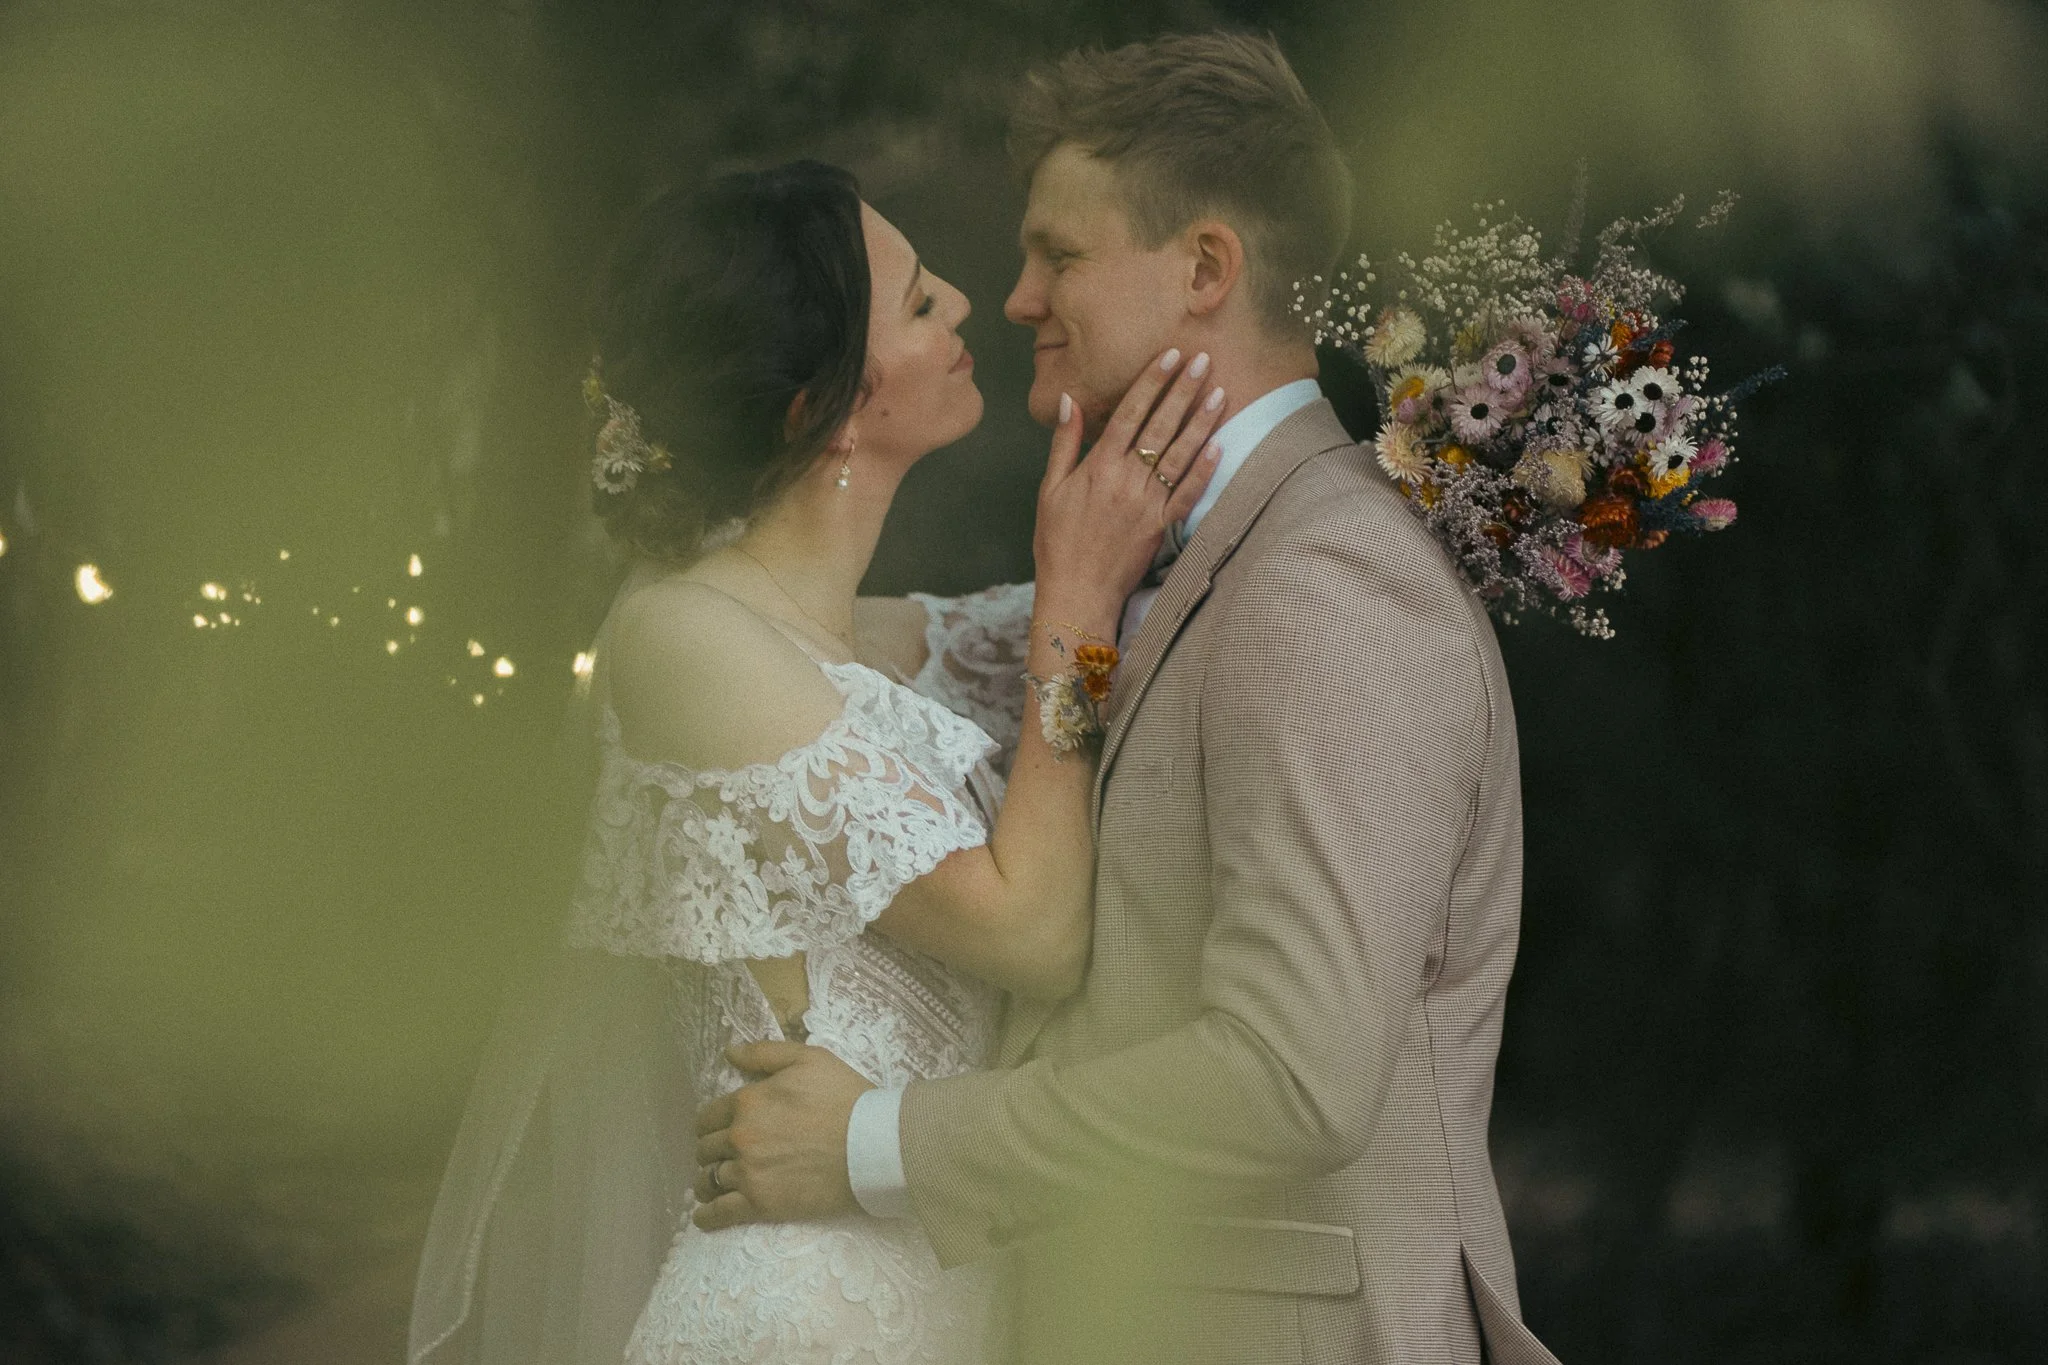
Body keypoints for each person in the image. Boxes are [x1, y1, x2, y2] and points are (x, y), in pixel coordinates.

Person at [689, 34, 1561, 1365]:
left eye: (1062, 254)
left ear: (1206, 269)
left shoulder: (1329, 586)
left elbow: (1290, 1074)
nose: (1019, 295)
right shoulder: (1177, 556)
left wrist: (873, 1142)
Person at [406, 159, 1223, 1365]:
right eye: (911, 301)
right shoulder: (680, 639)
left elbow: (1163, 614)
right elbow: (1033, 933)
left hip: (936, 1298)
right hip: (794, 1320)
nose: (960, 299)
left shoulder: (897, 646)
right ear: (818, 408)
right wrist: (1077, 612)